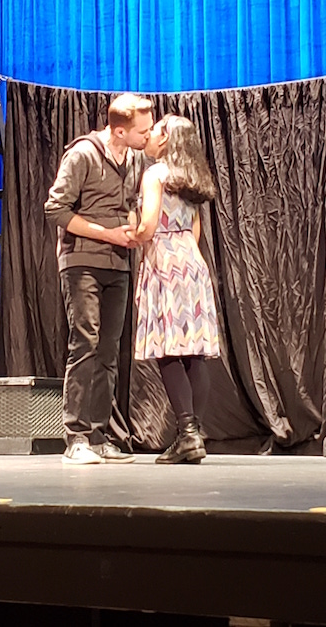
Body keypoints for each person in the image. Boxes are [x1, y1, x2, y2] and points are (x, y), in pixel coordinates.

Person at [44, 93, 154, 464]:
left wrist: (136, 228)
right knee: (85, 343)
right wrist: (106, 234)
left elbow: (132, 206)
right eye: (143, 130)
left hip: (118, 265)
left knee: (108, 351)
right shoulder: (82, 155)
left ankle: (98, 434)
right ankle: (75, 438)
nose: (148, 135)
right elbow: (56, 209)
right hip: (82, 263)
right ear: (119, 131)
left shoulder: (136, 158)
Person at [132, 114, 219, 464]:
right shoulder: (191, 177)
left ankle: (186, 435)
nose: (149, 136)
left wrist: (134, 234)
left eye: (154, 131)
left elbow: (149, 224)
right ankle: (193, 435)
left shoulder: (155, 174)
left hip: (165, 261)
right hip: (192, 261)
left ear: (165, 139)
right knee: (194, 353)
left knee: (168, 350)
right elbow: (195, 230)